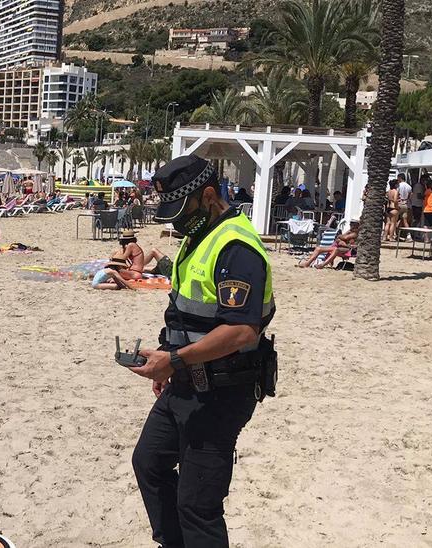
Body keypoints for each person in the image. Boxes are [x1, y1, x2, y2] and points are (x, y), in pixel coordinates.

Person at [127, 154, 275, 548]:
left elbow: (243, 330)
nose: (175, 221)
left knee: (198, 504)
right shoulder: (199, 238)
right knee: (150, 463)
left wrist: (175, 360)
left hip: (222, 390)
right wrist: (166, 359)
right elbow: (183, 311)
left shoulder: (237, 248)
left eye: (180, 210)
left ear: (208, 195)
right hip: (184, 380)